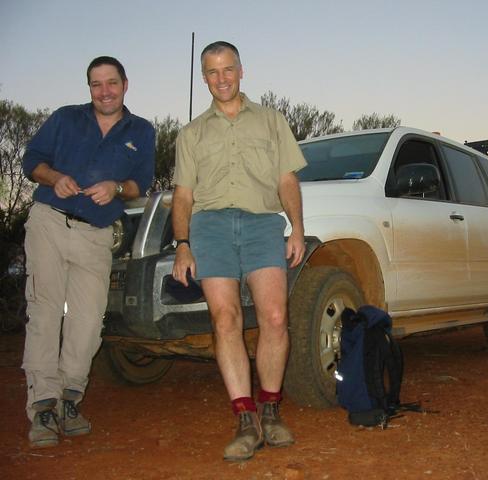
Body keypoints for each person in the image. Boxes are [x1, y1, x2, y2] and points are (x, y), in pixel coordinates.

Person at [171, 41, 306, 462]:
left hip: (262, 223)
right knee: (224, 317)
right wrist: (182, 244)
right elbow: (183, 195)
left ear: (242, 71)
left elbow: (286, 180)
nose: (221, 78)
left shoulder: (271, 121)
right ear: (204, 77)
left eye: (228, 69)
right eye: (212, 72)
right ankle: (245, 417)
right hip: (209, 227)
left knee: (275, 316)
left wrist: (297, 229)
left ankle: (270, 409)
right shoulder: (191, 133)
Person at [21, 56, 155, 448]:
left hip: (97, 234)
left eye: (111, 82)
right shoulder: (65, 118)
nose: (105, 91)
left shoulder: (141, 131)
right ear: (89, 89)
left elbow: (139, 184)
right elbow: (32, 161)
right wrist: (55, 177)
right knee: (44, 311)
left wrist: (115, 187)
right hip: (49, 221)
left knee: (88, 321)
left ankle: (70, 399)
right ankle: (42, 406)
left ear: (125, 84)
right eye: (96, 84)